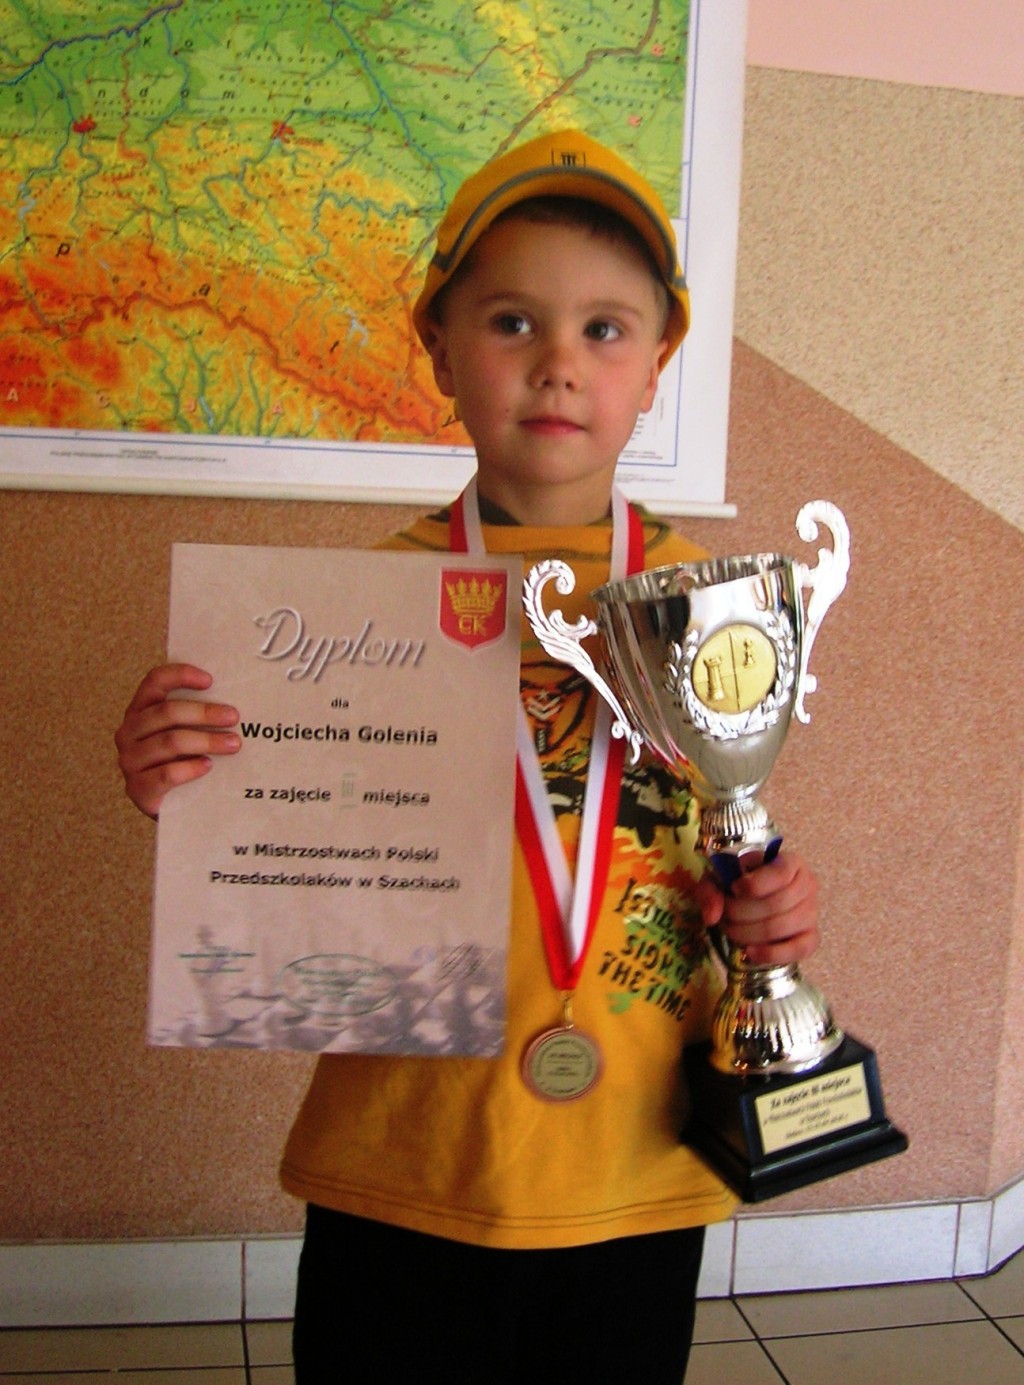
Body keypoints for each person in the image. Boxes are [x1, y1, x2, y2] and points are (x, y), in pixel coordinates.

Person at [116, 131, 820, 1382]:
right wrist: (185, 781)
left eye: (604, 329)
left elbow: (725, 834)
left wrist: (767, 905)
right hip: (402, 1160)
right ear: (439, 348)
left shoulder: (709, 607)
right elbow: (279, 842)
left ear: (655, 365)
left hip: (637, 1163)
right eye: (511, 322)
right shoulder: (337, 621)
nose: (559, 362)